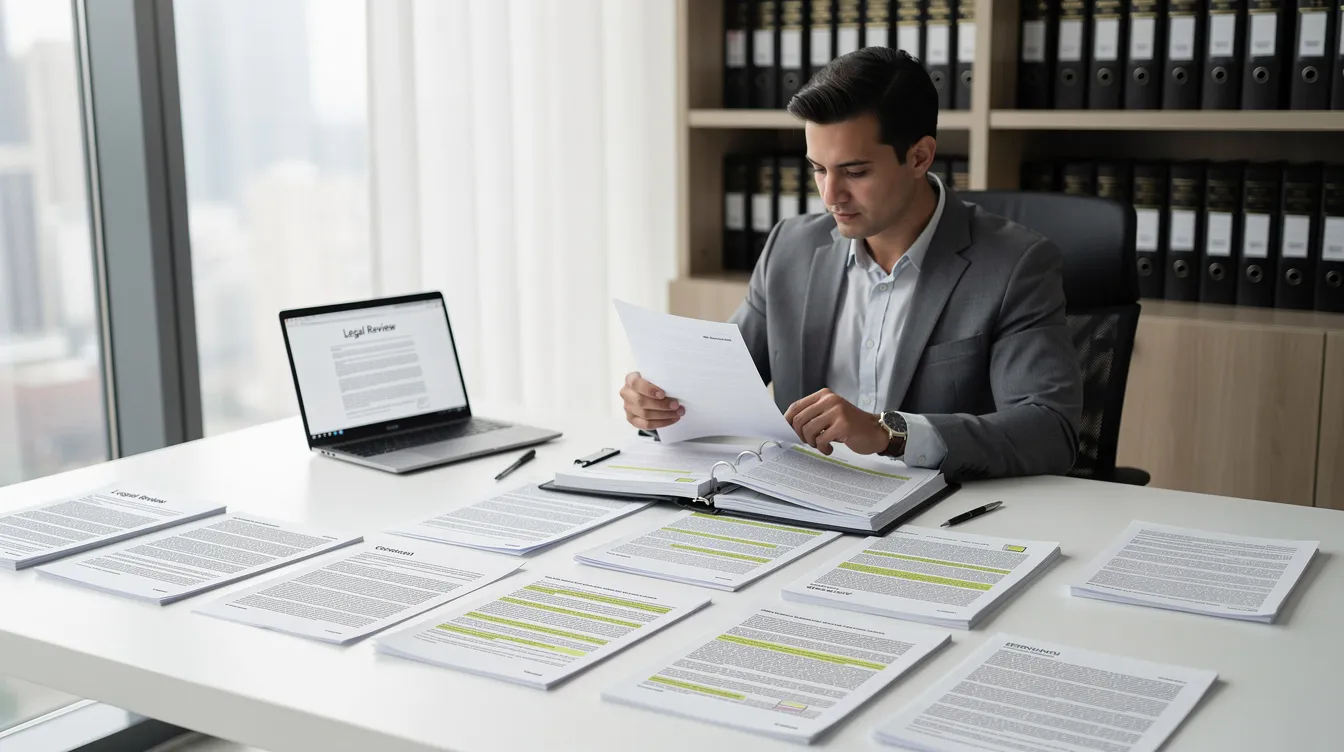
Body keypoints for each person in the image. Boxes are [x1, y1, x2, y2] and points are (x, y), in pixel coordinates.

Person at [621, 47, 1083, 481]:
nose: (830, 196)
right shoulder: (790, 247)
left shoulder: (1015, 263)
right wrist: (663, 406)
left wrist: (889, 433)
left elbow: (1049, 432)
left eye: (855, 172)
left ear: (920, 156)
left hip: (941, 518)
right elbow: (722, 387)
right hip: (805, 502)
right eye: (818, 169)